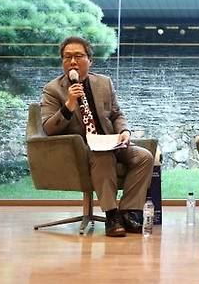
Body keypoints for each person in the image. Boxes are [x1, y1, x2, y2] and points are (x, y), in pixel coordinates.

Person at [41, 36, 154, 237]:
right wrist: (69, 104)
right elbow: (49, 128)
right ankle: (111, 216)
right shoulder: (53, 90)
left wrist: (124, 132)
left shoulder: (103, 83)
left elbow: (117, 114)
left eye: (78, 56)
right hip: (81, 149)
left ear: (89, 60)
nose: (72, 62)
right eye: (67, 57)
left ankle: (127, 213)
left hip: (110, 141)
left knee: (144, 157)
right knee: (103, 157)